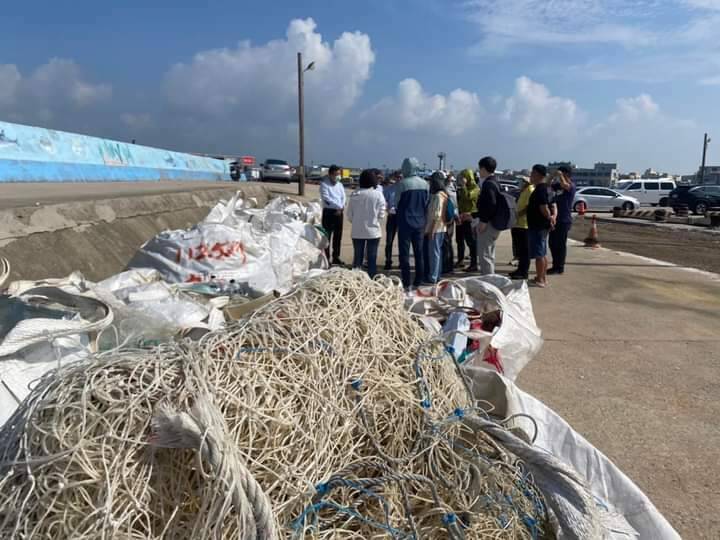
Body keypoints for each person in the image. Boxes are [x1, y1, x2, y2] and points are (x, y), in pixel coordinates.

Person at [396, 157, 430, 289]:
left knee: (404, 254)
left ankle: (406, 281)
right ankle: (418, 280)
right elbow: (426, 202)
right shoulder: (425, 184)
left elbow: (397, 203)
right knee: (419, 253)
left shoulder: (403, 184)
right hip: (420, 222)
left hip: (405, 222)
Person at [347, 169, 386, 278]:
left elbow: (349, 215)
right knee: (372, 259)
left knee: (357, 259)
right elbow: (381, 215)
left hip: (357, 231)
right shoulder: (378, 195)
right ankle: (372, 281)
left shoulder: (354, 194)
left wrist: (357, 222)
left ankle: (356, 282)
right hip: (373, 232)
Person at [526, 164, 556, 288]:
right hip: (540, 225)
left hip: (538, 226)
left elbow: (544, 207)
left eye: (532, 174)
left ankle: (541, 279)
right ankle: (541, 277)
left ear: (538, 175)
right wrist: (551, 218)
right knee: (542, 253)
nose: (531, 176)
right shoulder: (546, 188)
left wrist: (550, 218)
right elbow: (551, 205)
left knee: (539, 254)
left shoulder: (541, 189)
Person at [472, 156, 502, 275]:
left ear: (484, 168)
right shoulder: (495, 181)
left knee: (485, 256)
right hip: (494, 223)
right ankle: (490, 280)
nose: (479, 171)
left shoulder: (488, 184)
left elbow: (491, 204)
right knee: (489, 255)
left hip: (488, 224)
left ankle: (488, 284)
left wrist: (483, 221)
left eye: (479, 169)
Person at [548, 165, 576, 275]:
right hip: (555, 218)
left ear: (567, 174)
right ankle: (555, 265)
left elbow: (566, 186)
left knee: (560, 244)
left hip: (564, 219)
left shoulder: (571, 186)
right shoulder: (557, 186)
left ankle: (559, 267)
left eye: (562, 173)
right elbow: (547, 185)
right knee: (552, 243)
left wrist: (560, 176)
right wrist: (552, 175)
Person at [423, 172, 450, 284]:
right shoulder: (444, 194)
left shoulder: (438, 196)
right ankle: (437, 275)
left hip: (435, 229)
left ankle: (433, 277)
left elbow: (436, 216)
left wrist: (431, 231)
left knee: (434, 254)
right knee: (437, 253)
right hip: (441, 228)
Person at [319, 165, 346, 265]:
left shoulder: (340, 185)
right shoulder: (324, 184)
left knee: (338, 236)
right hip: (329, 212)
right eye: (336, 174)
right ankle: (326, 258)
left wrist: (342, 206)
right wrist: (338, 206)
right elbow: (326, 199)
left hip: (339, 213)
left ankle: (336, 257)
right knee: (327, 236)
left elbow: (343, 197)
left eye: (339, 174)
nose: (338, 176)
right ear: (330, 174)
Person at [509, 177, 535, 280]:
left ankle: (523, 272)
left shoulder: (530, 190)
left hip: (524, 224)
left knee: (525, 250)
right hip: (517, 224)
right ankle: (519, 269)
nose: (520, 182)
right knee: (519, 250)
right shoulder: (523, 190)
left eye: (522, 180)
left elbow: (528, 207)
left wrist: (518, 214)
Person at [456, 169, 479, 271]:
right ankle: (460, 260)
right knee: (459, 239)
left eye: (464, 176)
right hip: (461, 216)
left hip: (469, 218)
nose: (462, 179)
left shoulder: (476, 188)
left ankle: (474, 264)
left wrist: (464, 186)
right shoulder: (461, 188)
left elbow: (467, 197)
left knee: (470, 241)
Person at [383, 171, 401, 270]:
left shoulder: (404, 189)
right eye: (397, 177)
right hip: (391, 216)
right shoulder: (389, 189)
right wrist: (387, 209)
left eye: (400, 177)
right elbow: (384, 201)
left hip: (401, 217)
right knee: (389, 241)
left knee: (402, 241)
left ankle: (401, 261)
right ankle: (388, 261)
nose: (399, 179)